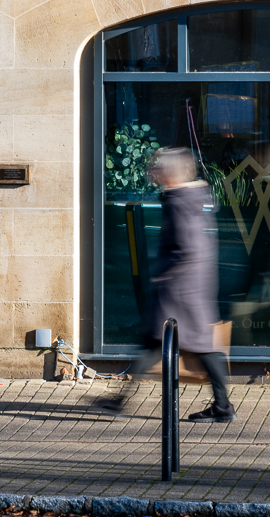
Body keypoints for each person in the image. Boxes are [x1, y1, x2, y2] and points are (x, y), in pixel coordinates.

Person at [98, 146, 235, 422]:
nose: (153, 171)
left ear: (169, 173)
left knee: (194, 347)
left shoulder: (180, 200)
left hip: (181, 291)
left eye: (158, 167)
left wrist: (166, 276)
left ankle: (223, 406)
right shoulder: (190, 196)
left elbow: (190, 246)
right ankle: (119, 400)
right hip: (189, 288)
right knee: (164, 343)